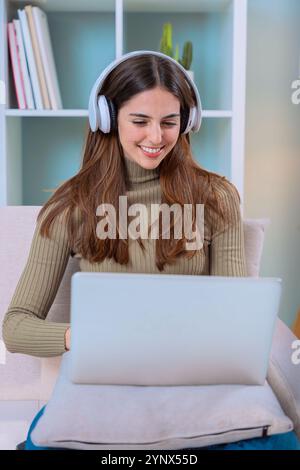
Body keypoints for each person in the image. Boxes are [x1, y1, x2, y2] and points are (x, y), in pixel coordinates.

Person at [2, 51, 298, 451]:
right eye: (139, 121)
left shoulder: (217, 197)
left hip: (198, 385)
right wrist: (84, 336)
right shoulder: (70, 206)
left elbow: (236, 320)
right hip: (104, 386)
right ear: (106, 119)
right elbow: (16, 326)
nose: (156, 137)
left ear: (187, 121)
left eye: (169, 122)